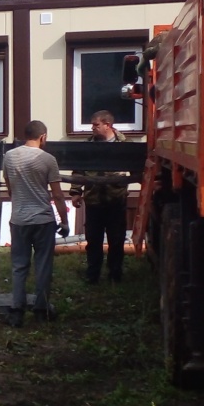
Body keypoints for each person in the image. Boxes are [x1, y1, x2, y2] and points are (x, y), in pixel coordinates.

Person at [2, 120, 71, 326]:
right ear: (43, 137)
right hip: (43, 219)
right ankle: (41, 310)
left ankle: (17, 310)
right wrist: (64, 221)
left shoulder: (9, 156)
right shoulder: (48, 159)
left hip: (19, 219)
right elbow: (57, 195)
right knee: (43, 265)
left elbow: (10, 188)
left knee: (19, 265)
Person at [72, 109, 131, 284]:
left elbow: (136, 168)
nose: (92, 128)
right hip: (93, 200)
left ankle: (115, 275)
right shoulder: (87, 146)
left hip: (116, 199)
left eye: (96, 125)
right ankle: (93, 275)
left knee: (117, 239)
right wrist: (76, 192)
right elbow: (78, 170)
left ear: (108, 125)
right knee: (93, 240)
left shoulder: (125, 145)